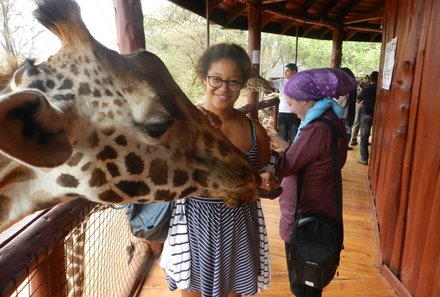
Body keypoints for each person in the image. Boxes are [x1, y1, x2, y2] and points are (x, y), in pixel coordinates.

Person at [160, 43, 271, 297]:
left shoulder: (256, 131)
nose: (224, 88)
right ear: (203, 78)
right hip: (194, 224)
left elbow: (263, 173)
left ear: (242, 85)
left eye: (233, 82)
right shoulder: (182, 125)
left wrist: (266, 179)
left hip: (239, 224)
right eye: (216, 79)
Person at [260, 68, 356, 297]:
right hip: (319, 213)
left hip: (305, 218)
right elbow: (306, 157)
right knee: (310, 280)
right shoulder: (330, 120)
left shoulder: (317, 129)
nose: (291, 111)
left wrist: (263, 150)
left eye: (292, 104)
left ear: (308, 100)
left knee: (303, 284)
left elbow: (286, 165)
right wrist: (280, 141)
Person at [271, 63, 301, 142]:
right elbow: (269, 84)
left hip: (295, 113)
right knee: (282, 137)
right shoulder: (281, 81)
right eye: (285, 71)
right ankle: (283, 154)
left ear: (294, 72)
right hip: (282, 112)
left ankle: (293, 153)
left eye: (287, 71)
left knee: (294, 137)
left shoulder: (300, 82)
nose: (285, 73)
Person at [357, 70, 378, 165]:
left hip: (366, 115)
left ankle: (364, 159)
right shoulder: (381, 90)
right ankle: (376, 159)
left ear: (371, 79)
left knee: (364, 137)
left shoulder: (366, 89)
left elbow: (358, 100)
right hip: (379, 116)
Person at [337, 67, 358, 150]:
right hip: (348, 118)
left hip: (341, 118)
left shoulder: (343, 90)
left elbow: (340, 104)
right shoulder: (352, 88)